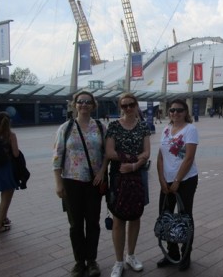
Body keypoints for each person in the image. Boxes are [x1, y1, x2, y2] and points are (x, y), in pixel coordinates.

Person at [53, 91, 106, 277]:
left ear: (93, 105)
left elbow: (107, 153)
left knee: (93, 222)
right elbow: (57, 156)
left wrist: (102, 171)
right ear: (75, 105)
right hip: (71, 181)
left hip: (94, 182)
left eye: (87, 102)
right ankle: (79, 261)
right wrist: (58, 183)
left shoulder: (100, 127)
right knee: (75, 224)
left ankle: (91, 260)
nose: (84, 104)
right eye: (80, 101)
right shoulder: (65, 128)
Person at [105, 93, 150, 277]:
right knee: (118, 218)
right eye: (124, 106)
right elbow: (109, 152)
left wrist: (134, 164)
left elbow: (146, 152)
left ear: (136, 105)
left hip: (138, 175)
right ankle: (118, 261)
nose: (128, 108)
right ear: (120, 107)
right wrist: (133, 159)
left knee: (135, 215)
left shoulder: (143, 126)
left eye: (131, 104)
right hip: (118, 176)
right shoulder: (114, 126)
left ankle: (130, 255)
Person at [156, 99, 199, 271]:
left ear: (185, 112)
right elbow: (160, 156)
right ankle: (171, 252)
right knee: (165, 215)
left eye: (179, 110)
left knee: (185, 217)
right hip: (166, 181)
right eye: (172, 110)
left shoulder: (190, 129)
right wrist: (161, 180)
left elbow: (189, 158)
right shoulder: (166, 130)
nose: (175, 113)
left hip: (185, 180)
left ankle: (185, 255)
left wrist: (177, 181)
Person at [0, 112, 20, 234]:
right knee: (5, 199)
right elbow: (16, 154)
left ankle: (4, 218)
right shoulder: (11, 135)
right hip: (6, 169)